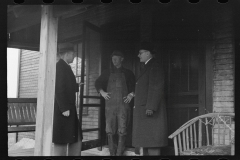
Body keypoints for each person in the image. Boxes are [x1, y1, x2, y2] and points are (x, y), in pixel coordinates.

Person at [95, 50, 135, 156]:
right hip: (110, 106)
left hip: (123, 105)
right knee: (110, 129)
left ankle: (119, 154)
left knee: (122, 129)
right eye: (113, 59)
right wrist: (102, 92)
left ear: (122, 59)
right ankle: (112, 153)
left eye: (116, 58)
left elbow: (135, 86)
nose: (114, 60)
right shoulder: (106, 72)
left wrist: (131, 94)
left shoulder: (128, 73)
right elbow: (97, 83)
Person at [132, 42, 168, 156]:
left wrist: (151, 107)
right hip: (145, 110)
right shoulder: (148, 66)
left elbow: (156, 87)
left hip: (150, 111)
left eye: (140, 53)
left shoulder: (155, 65)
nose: (138, 55)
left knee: (153, 142)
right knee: (147, 142)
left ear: (148, 53)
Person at [52, 47, 82, 156]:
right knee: (62, 138)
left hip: (69, 109)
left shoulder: (65, 67)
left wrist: (76, 85)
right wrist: (64, 108)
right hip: (63, 110)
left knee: (76, 136)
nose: (74, 56)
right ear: (66, 54)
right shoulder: (60, 67)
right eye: (73, 54)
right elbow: (58, 88)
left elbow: (66, 85)